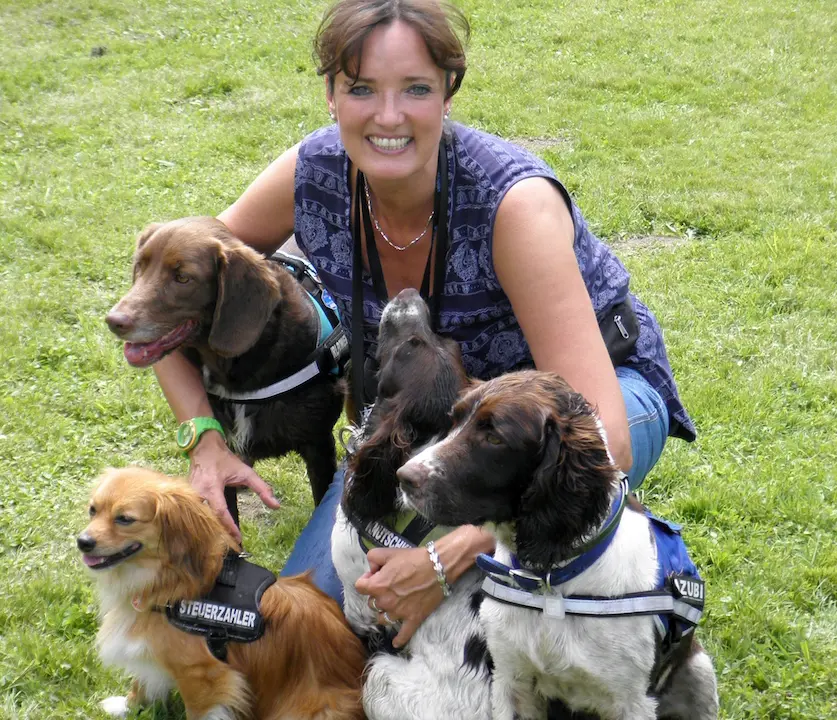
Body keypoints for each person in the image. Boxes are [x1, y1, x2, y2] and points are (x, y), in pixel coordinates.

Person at [152, 0, 695, 651]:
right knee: (321, 625)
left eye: (414, 89)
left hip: (580, 413)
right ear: (330, 95)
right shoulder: (311, 173)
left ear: (447, 93)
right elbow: (165, 302)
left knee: (477, 599)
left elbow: (603, 433)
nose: (388, 116)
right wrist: (204, 438)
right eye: (361, 88)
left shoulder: (512, 205)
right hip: (439, 418)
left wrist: (448, 558)